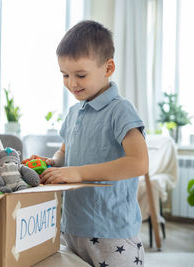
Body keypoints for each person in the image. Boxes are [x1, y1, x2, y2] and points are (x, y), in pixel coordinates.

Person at [23, 20, 148, 267]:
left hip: (112, 232)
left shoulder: (120, 110)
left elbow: (139, 163)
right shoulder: (74, 113)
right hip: (73, 228)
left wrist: (78, 172)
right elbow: (64, 151)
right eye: (65, 75)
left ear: (108, 67)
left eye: (80, 75)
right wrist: (51, 163)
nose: (72, 83)